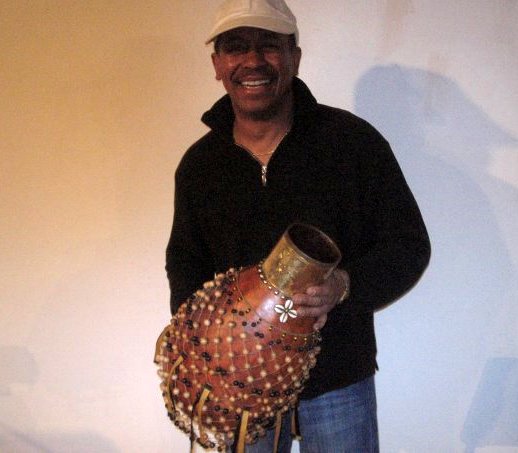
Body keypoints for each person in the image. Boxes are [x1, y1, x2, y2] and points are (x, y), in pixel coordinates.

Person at [165, 0, 431, 451]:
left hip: (337, 378)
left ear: (295, 56)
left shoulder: (352, 143)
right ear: (218, 64)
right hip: (240, 387)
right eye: (236, 47)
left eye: (269, 45)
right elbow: (185, 261)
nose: (253, 61)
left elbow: (408, 245)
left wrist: (344, 285)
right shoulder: (200, 166)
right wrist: (201, 344)